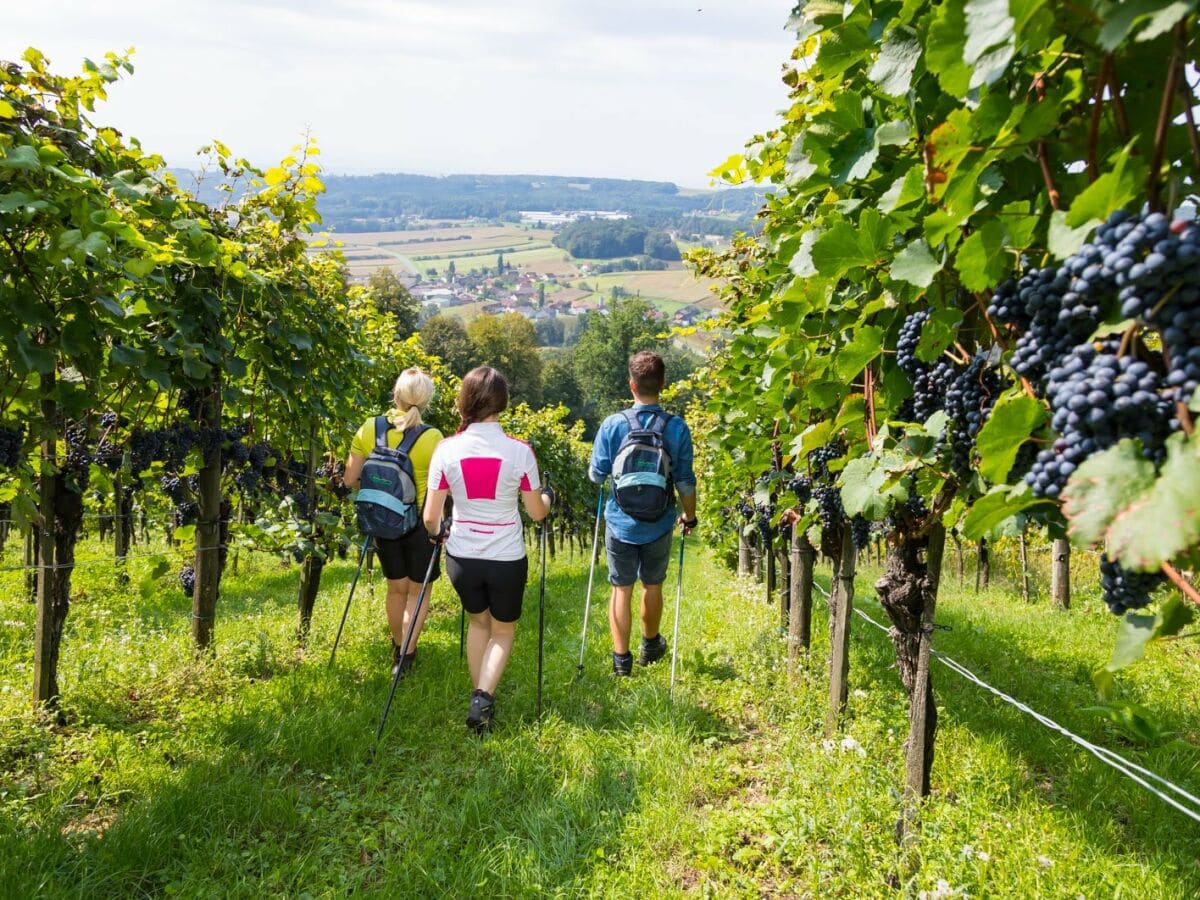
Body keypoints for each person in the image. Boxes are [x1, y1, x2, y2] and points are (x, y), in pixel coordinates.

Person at [423, 366, 554, 733]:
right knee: (503, 631)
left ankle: (479, 693)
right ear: (503, 402)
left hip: (462, 556)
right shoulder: (519, 452)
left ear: (465, 401)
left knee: (478, 623)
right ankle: (483, 698)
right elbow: (536, 512)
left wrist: (439, 534)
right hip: (505, 556)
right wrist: (546, 497)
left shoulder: (446, 449)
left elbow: (431, 517)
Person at [589, 350, 697, 677]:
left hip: (620, 521)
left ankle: (622, 661)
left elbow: (596, 475)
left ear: (631, 384)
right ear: (663, 383)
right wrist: (688, 517)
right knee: (653, 584)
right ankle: (650, 644)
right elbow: (685, 481)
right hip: (660, 521)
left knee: (621, 588)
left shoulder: (612, 425)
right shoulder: (676, 427)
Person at [344, 368, 443, 677]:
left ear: (395, 393)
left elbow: (350, 479)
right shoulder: (433, 437)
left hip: (383, 521)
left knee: (395, 589)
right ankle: (406, 658)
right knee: (418, 591)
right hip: (420, 525)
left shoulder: (369, 427)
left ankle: (396, 648)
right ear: (426, 400)